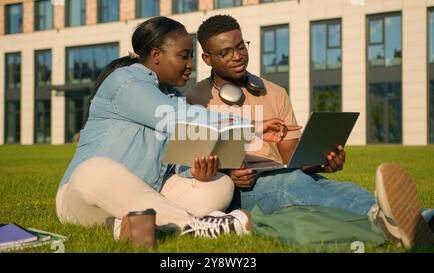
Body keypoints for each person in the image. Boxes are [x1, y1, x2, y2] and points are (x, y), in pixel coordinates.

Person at [185, 14, 434, 249]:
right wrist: (228, 173)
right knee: (292, 183)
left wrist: (319, 162)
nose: (237, 56)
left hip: (284, 177)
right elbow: (191, 160)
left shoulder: (274, 92)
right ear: (207, 59)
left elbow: (290, 159)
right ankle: (397, 220)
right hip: (238, 191)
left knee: (344, 189)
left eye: (241, 46)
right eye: (225, 52)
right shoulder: (196, 99)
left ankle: (422, 218)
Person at [55, 16, 288, 241]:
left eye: (192, 57)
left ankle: (135, 226)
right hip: (84, 198)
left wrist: (197, 172)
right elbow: (172, 118)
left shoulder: (176, 98)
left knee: (220, 183)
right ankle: (195, 225)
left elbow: (179, 162)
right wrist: (251, 127)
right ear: (156, 55)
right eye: (184, 56)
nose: (190, 65)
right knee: (94, 170)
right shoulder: (124, 82)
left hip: (148, 198)